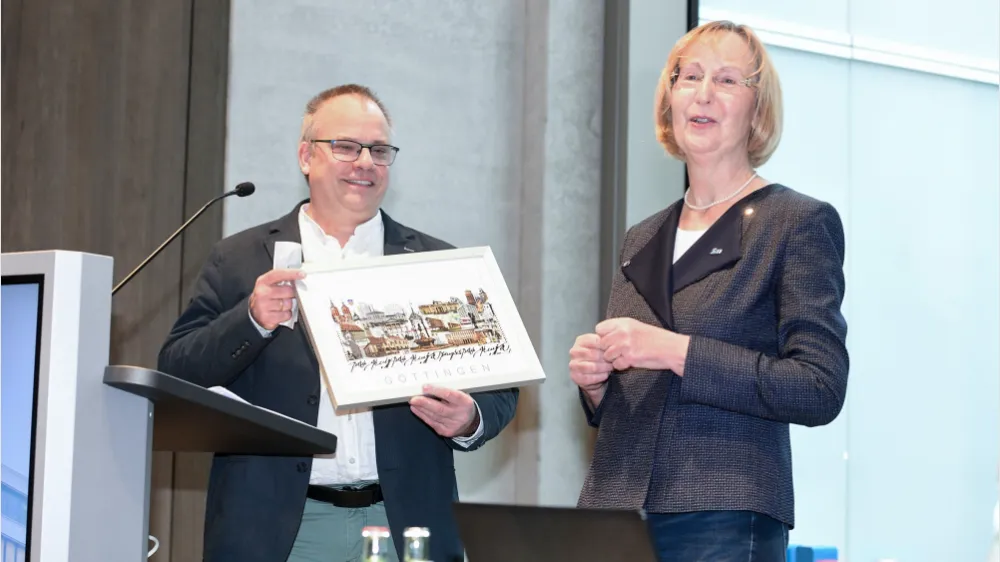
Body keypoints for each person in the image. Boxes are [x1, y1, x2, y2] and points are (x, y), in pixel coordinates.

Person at [158, 84, 518, 562]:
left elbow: (501, 387)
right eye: (346, 147)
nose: (365, 162)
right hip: (281, 528)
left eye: (379, 150)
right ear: (306, 156)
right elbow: (176, 372)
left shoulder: (435, 263)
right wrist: (250, 320)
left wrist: (469, 417)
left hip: (403, 525)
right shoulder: (240, 260)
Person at [568, 20, 849, 561]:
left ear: (757, 109)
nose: (701, 93)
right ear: (669, 98)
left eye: (725, 80)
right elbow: (637, 395)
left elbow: (819, 387)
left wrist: (676, 352)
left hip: (722, 514)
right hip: (614, 508)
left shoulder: (796, 222)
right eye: (689, 76)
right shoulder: (642, 236)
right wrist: (598, 385)